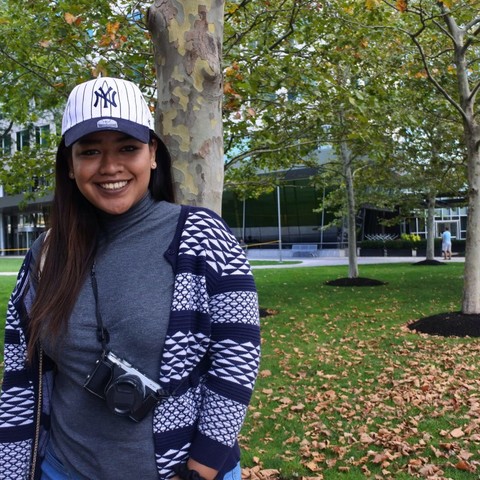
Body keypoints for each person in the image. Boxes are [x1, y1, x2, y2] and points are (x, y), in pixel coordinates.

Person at [0, 77, 261, 480]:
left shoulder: (202, 237)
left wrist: (200, 471)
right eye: (90, 151)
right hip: (62, 469)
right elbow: (20, 374)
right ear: (69, 165)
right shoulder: (46, 253)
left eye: (128, 148)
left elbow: (236, 356)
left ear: (152, 154)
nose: (110, 167)